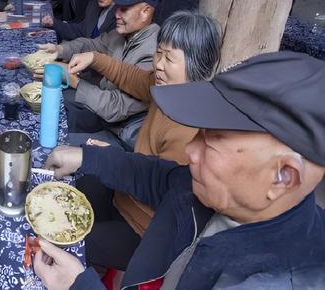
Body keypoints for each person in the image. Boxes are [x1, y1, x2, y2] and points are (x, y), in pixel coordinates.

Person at [35, 51, 325, 290]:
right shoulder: (210, 188)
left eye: (212, 142)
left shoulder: (271, 281)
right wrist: (88, 157)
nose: (190, 150)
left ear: (283, 176)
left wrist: (80, 286)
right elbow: (160, 177)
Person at [67, 10, 222, 271]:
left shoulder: (190, 129)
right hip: (123, 194)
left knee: (73, 241)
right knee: (71, 192)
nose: (158, 64)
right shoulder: (165, 87)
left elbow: (158, 186)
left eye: (169, 58)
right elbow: (131, 77)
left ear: (196, 64)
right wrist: (94, 57)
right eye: (158, 53)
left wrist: (114, 158)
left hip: (143, 230)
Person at [38, 0, 163, 142]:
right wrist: (59, 49)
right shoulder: (121, 35)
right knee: (46, 108)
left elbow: (115, 108)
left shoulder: (155, 54)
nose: (117, 14)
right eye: (118, 7)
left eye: (124, 9)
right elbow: (90, 44)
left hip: (120, 132)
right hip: (100, 107)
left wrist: (74, 81)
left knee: (54, 129)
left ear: (145, 12)